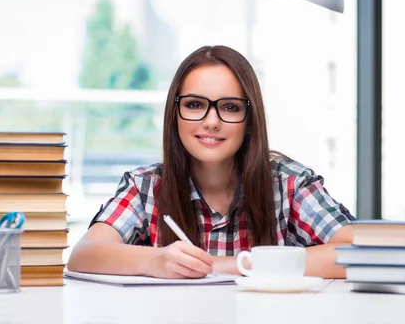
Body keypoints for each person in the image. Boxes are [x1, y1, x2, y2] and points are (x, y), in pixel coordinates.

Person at [67, 45, 355, 279]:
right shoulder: (146, 188)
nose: (212, 122)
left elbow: (358, 251)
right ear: (174, 114)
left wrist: (228, 265)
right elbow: (84, 254)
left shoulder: (288, 185)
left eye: (230, 107)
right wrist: (157, 261)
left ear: (250, 121)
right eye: (195, 105)